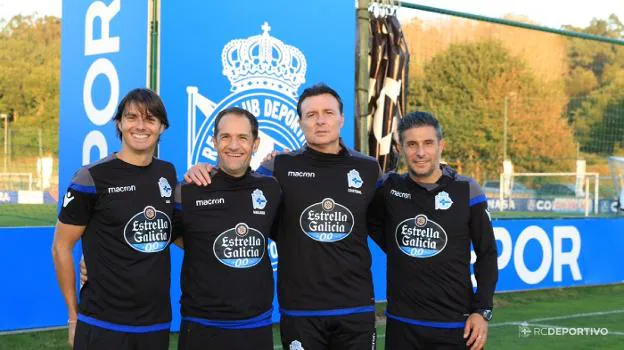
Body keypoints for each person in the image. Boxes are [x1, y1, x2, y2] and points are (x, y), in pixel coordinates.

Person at [186, 83, 382, 349]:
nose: (321, 121)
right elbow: (236, 182)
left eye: (328, 112)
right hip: (301, 311)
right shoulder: (278, 167)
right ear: (300, 122)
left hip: (355, 307)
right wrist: (204, 170)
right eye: (311, 115)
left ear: (341, 118)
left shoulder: (368, 168)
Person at [52, 88, 177, 350]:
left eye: (150, 119)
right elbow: (61, 247)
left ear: (162, 127)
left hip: (155, 324)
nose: (140, 126)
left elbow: (174, 233)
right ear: (119, 123)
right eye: (132, 117)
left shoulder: (167, 173)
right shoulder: (90, 178)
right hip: (102, 324)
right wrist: (74, 318)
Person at [367, 111, 498, 350]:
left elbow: (487, 253)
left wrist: (482, 310)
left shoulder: (467, 190)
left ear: (441, 146)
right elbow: (371, 222)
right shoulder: (388, 188)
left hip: (455, 327)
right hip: (402, 326)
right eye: (412, 144)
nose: (420, 153)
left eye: (428, 143)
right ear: (400, 148)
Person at [174, 107, 281, 350]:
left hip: (255, 325)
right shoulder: (190, 190)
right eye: (225, 137)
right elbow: (163, 235)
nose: (234, 145)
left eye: (242, 138)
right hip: (201, 325)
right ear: (214, 142)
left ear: (255, 144)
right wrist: (90, 261)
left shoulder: (271, 188)